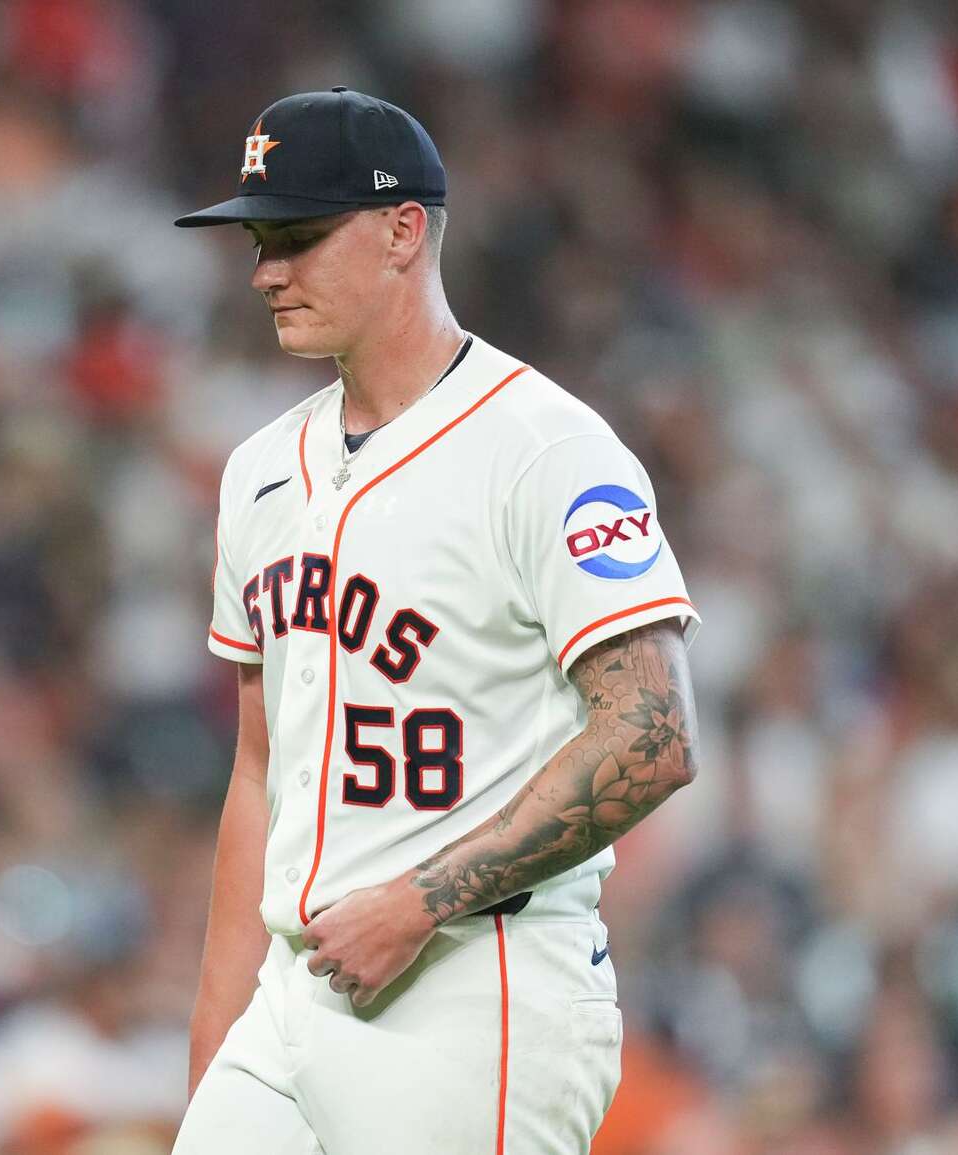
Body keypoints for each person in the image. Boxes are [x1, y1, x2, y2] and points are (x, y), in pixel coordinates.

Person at [170, 88, 703, 1154]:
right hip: (293, 988)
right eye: (258, 240)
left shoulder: (546, 449)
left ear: (400, 231)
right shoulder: (259, 471)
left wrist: (419, 901)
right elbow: (256, 773)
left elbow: (652, 736)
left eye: (298, 236)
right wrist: (220, 1036)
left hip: (478, 981)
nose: (265, 270)